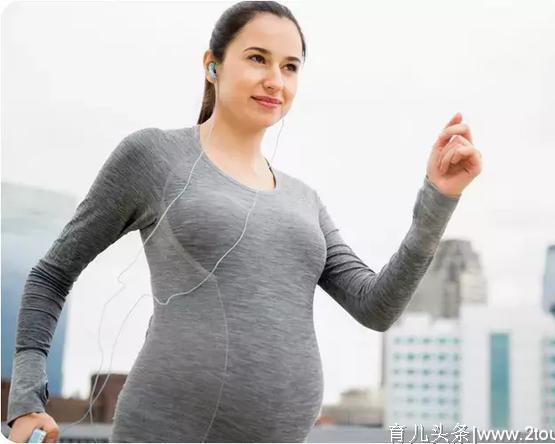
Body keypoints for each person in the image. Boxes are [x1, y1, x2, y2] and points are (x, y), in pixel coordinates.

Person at [6, 1, 482, 443]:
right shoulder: (153, 156)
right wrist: (25, 399)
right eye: (258, 58)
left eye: (290, 66)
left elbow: (376, 307)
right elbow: (51, 275)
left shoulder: (305, 199)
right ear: (212, 65)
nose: (276, 79)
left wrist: (439, 198)